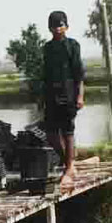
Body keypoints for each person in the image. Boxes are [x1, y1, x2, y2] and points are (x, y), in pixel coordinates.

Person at [42, 10, 86, 189]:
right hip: (51, 93)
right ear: (50, 28)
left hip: (69, 91)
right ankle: (69, 163)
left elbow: (79, 74)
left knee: (68, 132)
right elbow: (45, 74)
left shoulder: (72, 45)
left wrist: (80, 95)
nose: (57, 29)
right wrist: (42, 98)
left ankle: (68, 169)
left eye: (60, 25)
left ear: (66, 26)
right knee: (51, 134)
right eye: (54, 26)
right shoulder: (47, 48)